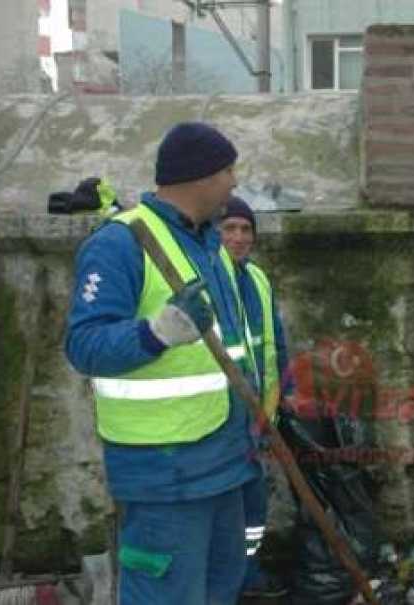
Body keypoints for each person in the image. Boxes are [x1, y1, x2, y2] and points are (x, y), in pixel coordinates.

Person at [65, 122, 258, 604]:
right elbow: (84, 345)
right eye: (228, 171)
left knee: (220, 588)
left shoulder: (208, 243)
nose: (234, 182)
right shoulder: (121, 244)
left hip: (225, 458)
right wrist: (156, 333)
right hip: (164, 472)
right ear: (201, 177)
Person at [218, 196, 292, 599]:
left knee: (253, 507)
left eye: (246, 229)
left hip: (259, 421)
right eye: (229, 228)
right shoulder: (212, 279)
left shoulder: (258, 279)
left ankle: (248, 575)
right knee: (225, 509)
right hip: (222, 419)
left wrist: (286, 394)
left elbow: (274, 344)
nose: (239, 237)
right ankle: (227, 583)